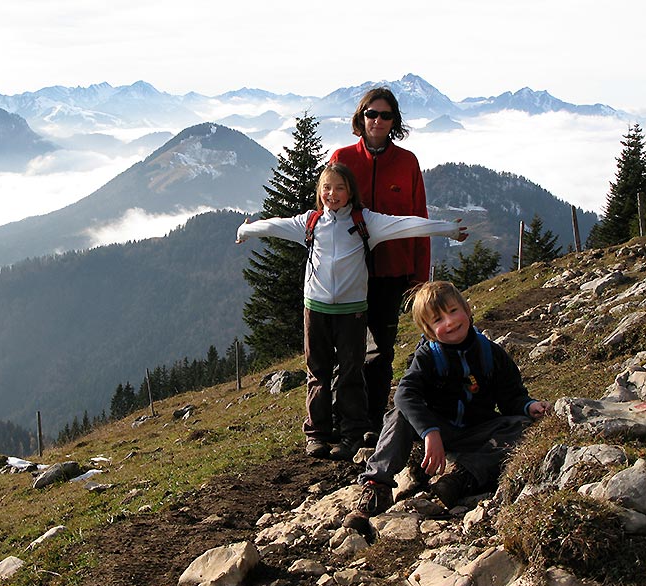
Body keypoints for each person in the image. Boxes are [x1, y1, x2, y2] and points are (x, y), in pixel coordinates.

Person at [236, 164, 467, 461]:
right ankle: (318, 434)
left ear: (350, 193)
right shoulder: (309, 222)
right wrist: (245, 230)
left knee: (350, 372)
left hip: (352, 311)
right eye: (327, 188)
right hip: (315, 308)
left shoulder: (365, 222)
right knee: (317, 372)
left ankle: (352, 434)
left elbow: (407, 225)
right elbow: (272, 226)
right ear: (320, 192)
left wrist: (448, 229)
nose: (333, 194)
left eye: (340, 188)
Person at [350, 281, 551, 519]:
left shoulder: (491, 353)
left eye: (453, 311)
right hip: (438, 429)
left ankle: (461, 477)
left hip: (478, 430)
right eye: (437, 320)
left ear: (466, 310)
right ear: (428, 330)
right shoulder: (427, 357)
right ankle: (377, 484)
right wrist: (430, 431)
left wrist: (529, 406)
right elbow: (405, 394)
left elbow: (512, 397)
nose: (449, 322)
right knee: (398, 416)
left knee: (524, 427)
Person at [330, 87, 430, 434]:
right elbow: (327, 210)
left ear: (394, 121)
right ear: (361, 117)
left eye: (385, 115)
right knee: (346, 350)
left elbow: (419, 218)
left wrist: (419, 275)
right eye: (372, 113)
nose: (378, 120)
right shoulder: (342, 156)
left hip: (392, 272)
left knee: (381, 352)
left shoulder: (408, 162)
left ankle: (372, 419)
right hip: (347, 271)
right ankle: (343, 420)